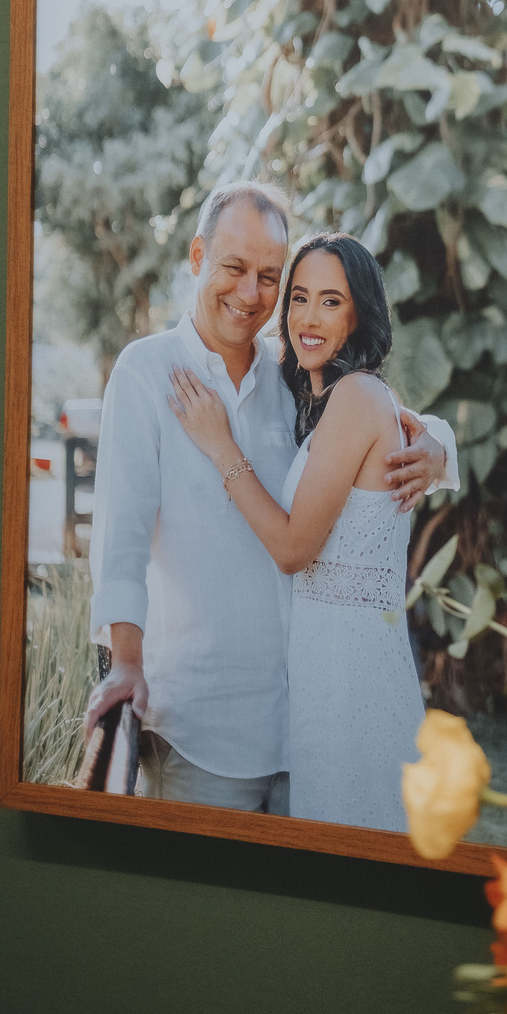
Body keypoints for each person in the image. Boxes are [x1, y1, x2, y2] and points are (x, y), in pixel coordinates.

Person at [83, 184, 457, 814]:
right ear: (197, 256)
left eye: (267, 277)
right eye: (233, 268)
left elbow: (384, 419)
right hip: (200, 727)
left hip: (304, 725)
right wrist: (124, 663)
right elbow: (120, 540)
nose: (250, 293)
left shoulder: (293, 376)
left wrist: (440, 448)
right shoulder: (146, 373)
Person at [167, 233, 427, 830]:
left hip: (352, 671)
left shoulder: (357, 395)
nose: (308, 318)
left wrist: (221, 446)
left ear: (361, 313)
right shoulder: (325, 397)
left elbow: (291, 549)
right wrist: (437, 445)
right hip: (322, 663)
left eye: (331, 302)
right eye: (300, 298)